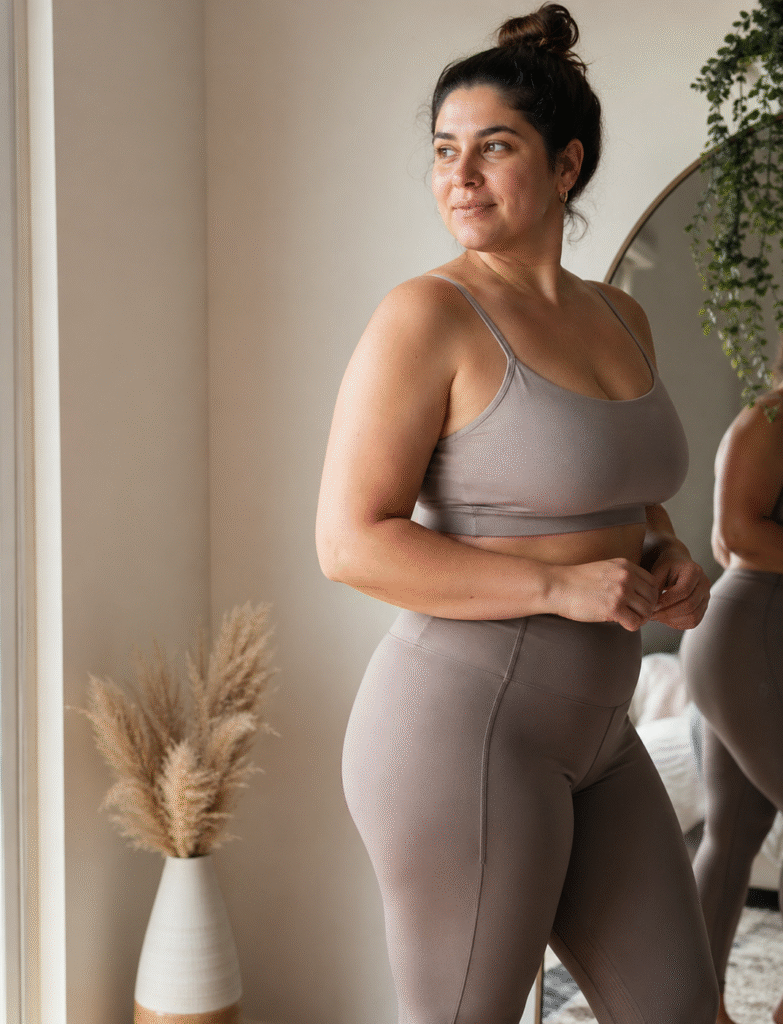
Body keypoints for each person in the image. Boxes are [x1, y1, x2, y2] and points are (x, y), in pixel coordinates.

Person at [316, 6, 719, 1023]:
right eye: (446, 151)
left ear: (566, 163)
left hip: (599, 731)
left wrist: (665, 547)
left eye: (493, 148)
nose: (461, 174)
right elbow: (349, 540)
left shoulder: (617, 313)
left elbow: (619, 489)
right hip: (464, 729)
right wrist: (557, 584)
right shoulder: (429, 315)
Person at [680, 343, 783, 1024]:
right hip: (746, 636)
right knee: (729, 831)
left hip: (755, 638)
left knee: (732, 831)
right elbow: (733, 535)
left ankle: (693, 1007)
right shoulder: (769, 418)